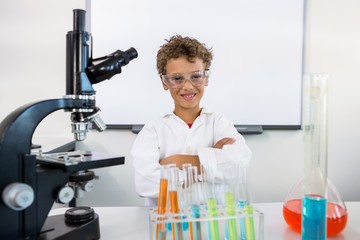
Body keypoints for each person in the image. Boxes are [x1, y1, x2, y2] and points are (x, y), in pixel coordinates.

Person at [131, 35, 251, 206]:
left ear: (206, 78)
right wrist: (210, 162)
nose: (187, 86)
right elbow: (146, 183)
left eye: (196, 76)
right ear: (164, 82)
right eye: (177, 78)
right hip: (168, 225)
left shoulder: (219, 123)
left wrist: (179, 162)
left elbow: (239, 165)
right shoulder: (153, 130)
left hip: (211, 224)